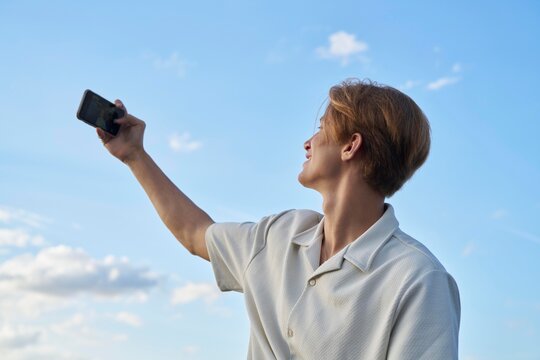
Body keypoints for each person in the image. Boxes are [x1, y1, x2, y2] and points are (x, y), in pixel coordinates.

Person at [97, 79, 460, 359]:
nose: (309, 141)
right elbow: (195, 233)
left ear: (351, 145)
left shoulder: (418, 280)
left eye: (322, 127)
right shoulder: (278, 236)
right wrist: (134, 156)